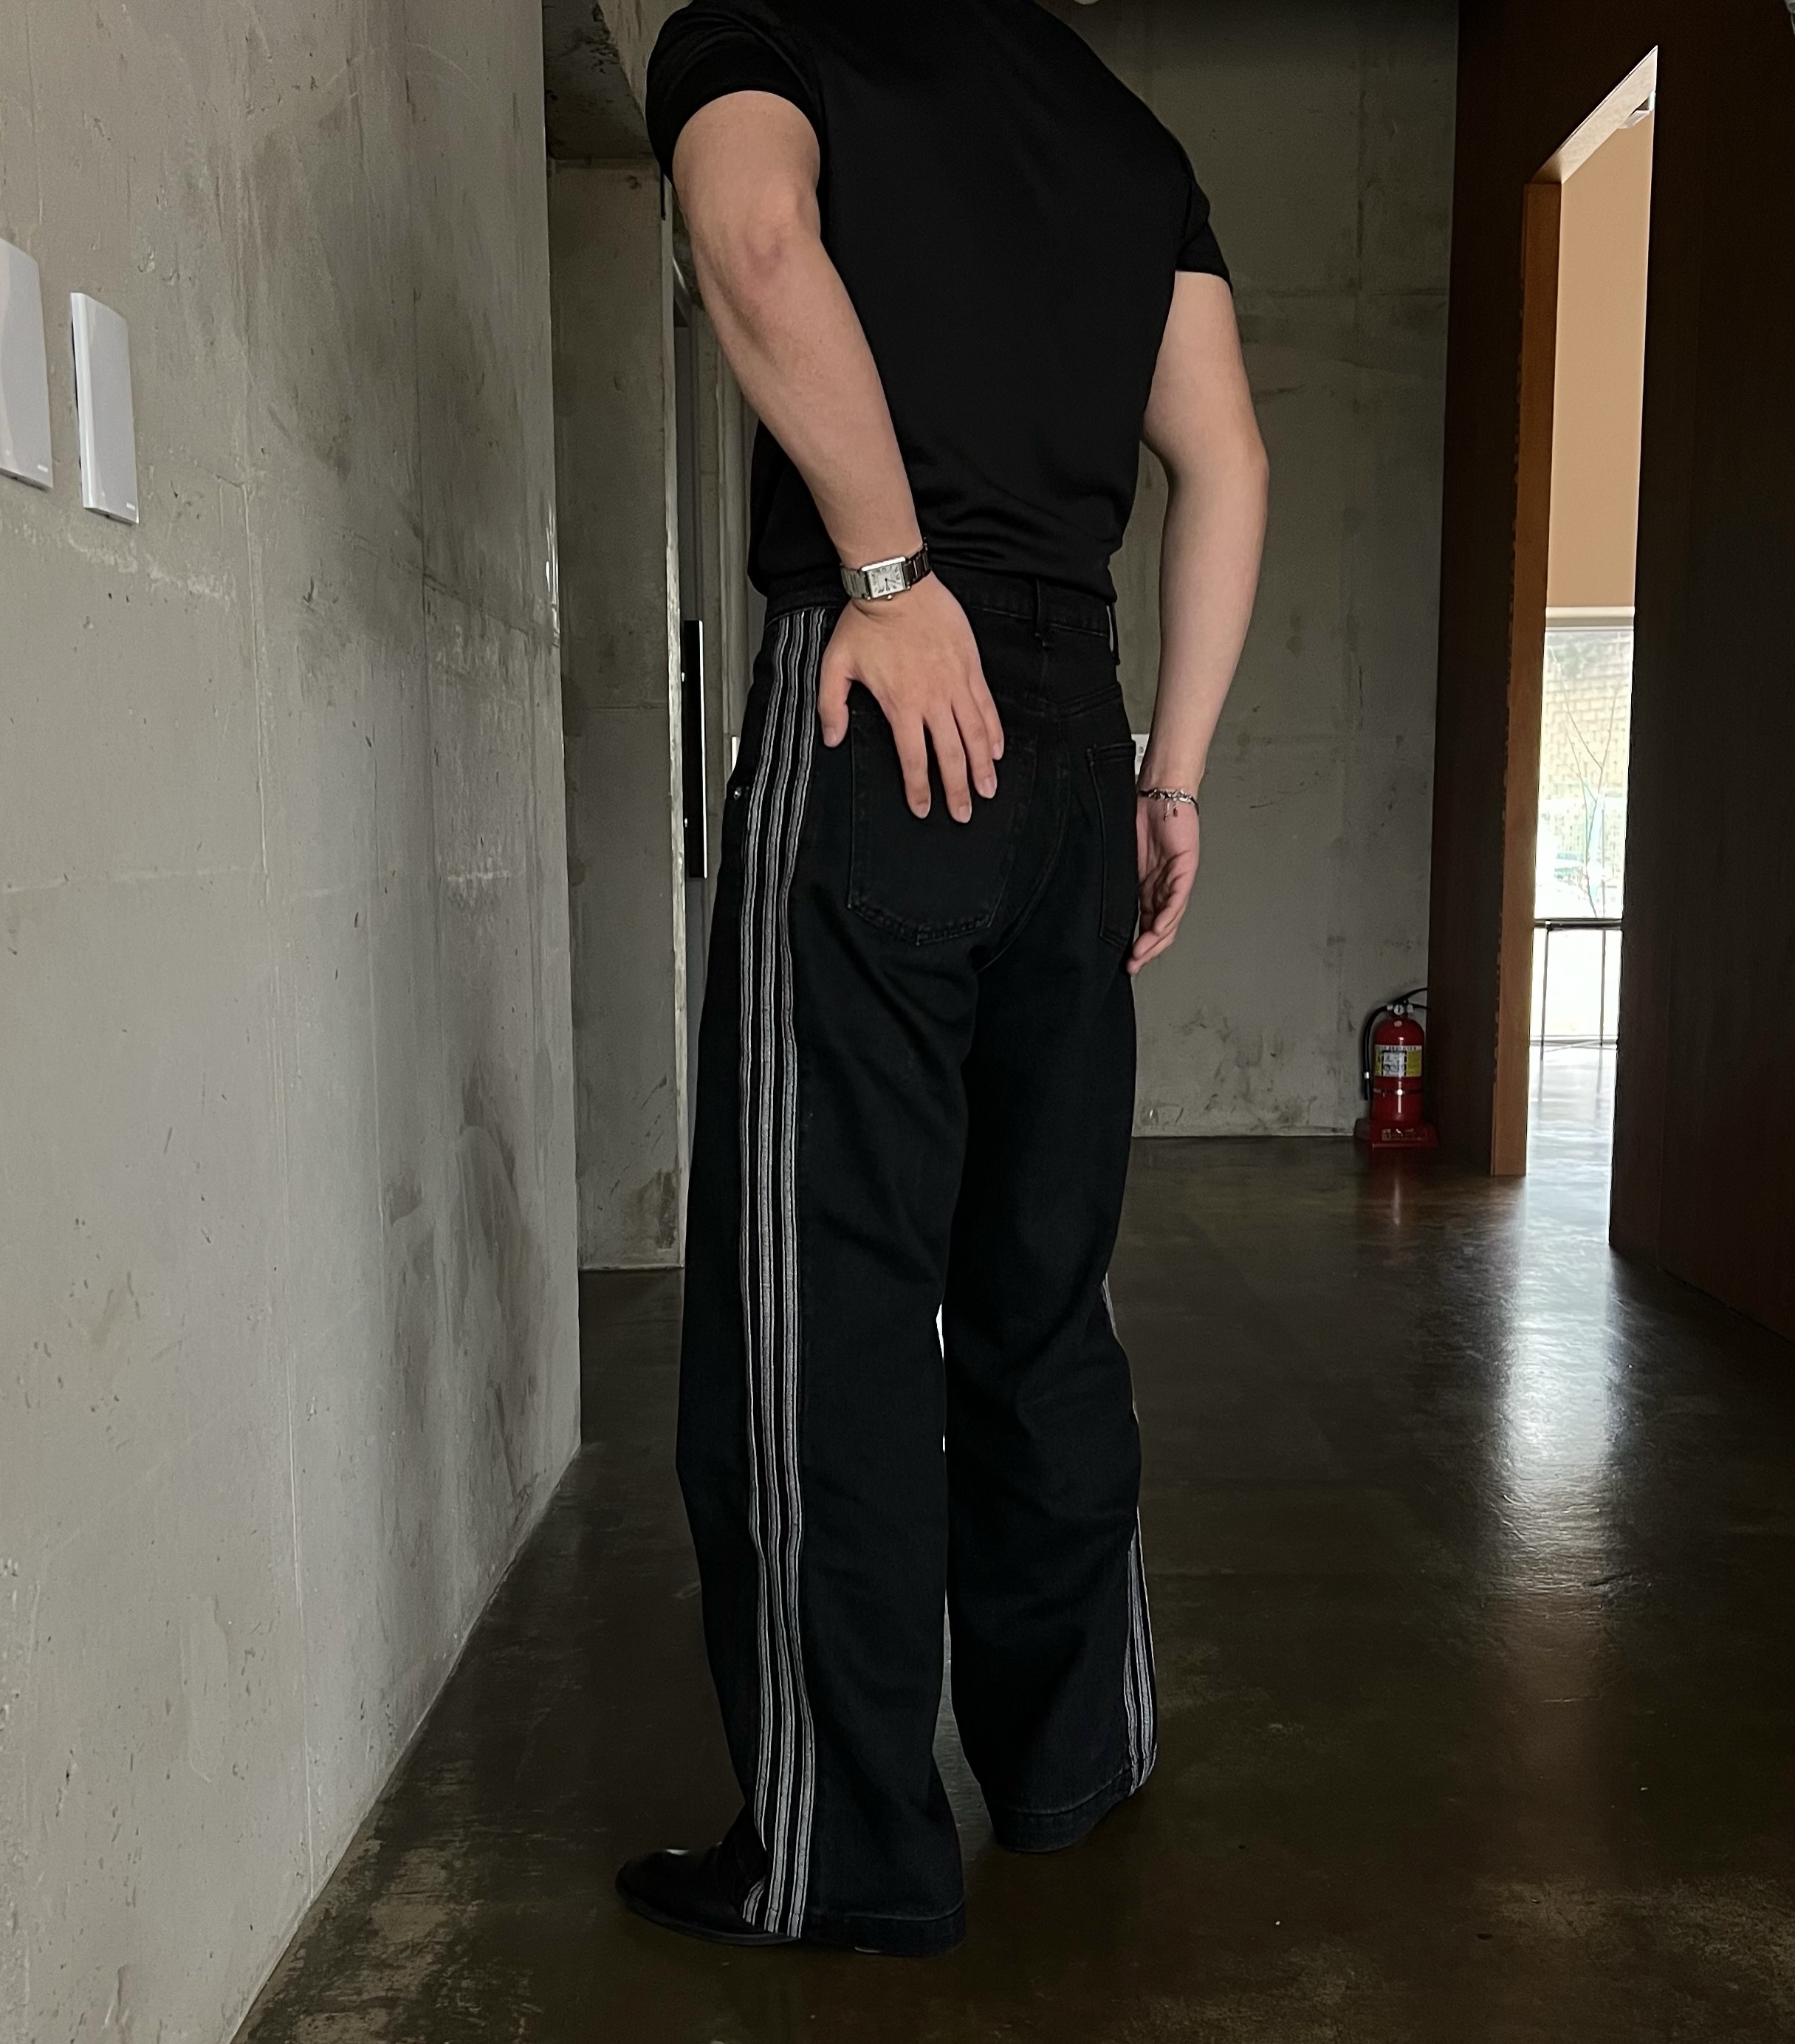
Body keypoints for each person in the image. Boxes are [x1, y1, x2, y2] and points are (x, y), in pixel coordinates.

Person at [618, 0, 1269, 1958]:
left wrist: (892, 579)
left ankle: (841, 1856)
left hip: (882, 692)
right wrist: (1171, 777)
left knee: (818, 1311)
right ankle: (1076, 1757)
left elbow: (754, 239)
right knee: (1041, 1293)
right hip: (1074, 739)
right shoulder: (1124, 133)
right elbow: (1226, 461)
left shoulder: (764, 29)